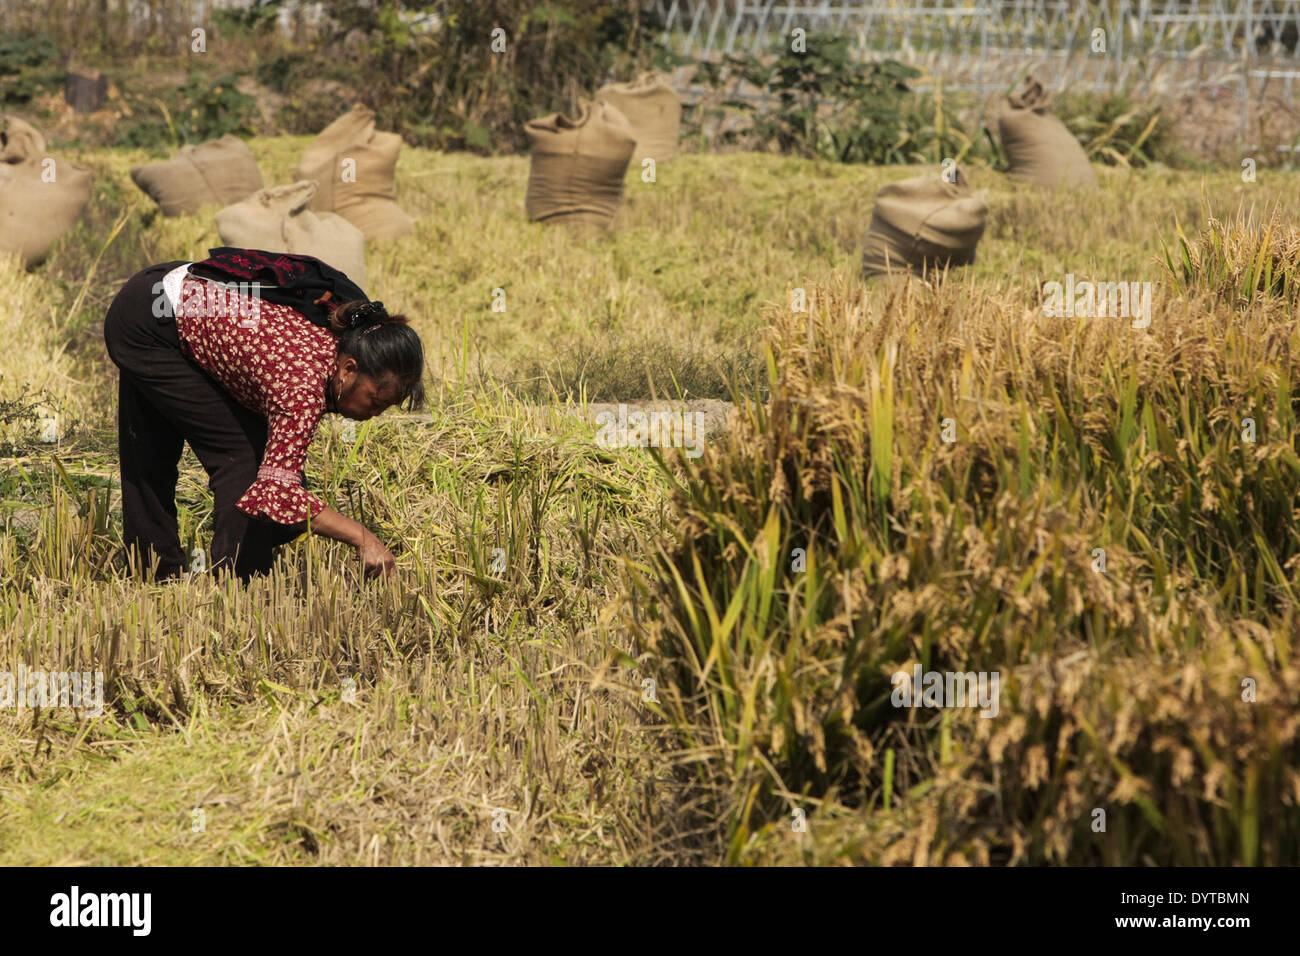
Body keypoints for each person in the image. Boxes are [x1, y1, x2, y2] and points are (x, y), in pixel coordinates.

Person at [102, 248, 425, 582]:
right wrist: (362, 537)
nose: (373, 415)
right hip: (149, 322)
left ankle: (151, 573)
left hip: (167, 294)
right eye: (374, 401)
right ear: (348, 369)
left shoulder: (344, 342)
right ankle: (241, 587)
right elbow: (277, 495)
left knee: (154, 447)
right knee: (244, 461)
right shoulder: (302, 383)